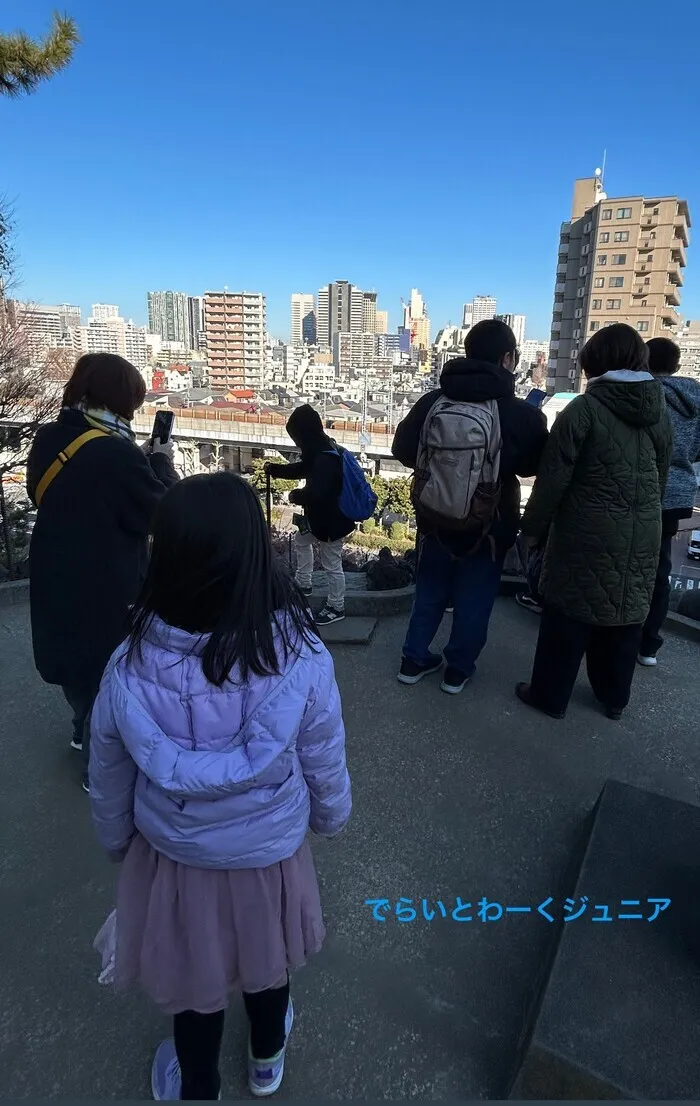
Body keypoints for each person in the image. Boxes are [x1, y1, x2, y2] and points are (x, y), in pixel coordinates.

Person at [89, 472, 351, 1101]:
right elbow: (324, 753)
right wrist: (331, 816)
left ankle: (197, 1085)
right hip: (269, 851)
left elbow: (107, 770)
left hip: (176, 854)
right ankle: (266, 1062)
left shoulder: (128, 664)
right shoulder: (298, 654)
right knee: (269, 961)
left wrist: (116, 840)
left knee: (193, 980)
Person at [26, 353, 177, 790]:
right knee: (110, 677)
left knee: (75, 663)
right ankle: (100, 772)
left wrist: (137, 461)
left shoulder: (51, 438)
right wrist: (160, 462)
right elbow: (161, 513)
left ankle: (80, 728)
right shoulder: (115, 454)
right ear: (119, 398)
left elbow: (77, 494)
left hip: (55, 571)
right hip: (106, 581)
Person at [516, 324, 672, 721]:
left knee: (568, 616)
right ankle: (614, 698)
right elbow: (661, 474)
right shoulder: (659, 413)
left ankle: (550, 696)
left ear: (596, 364)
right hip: (643, 532)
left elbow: (552, 481)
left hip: (586, 530)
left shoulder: (583, 410)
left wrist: (531, 530)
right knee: (624, 615)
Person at [392, 319, 548, 694]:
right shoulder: (519, 413)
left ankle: (413, 661)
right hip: (488, 526)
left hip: (434, 519)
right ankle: (456, 672)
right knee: (475, 599)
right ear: (508, 358)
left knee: (429, 591)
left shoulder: (433, 401)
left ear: (467, 353)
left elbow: (402, 450)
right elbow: (534, 466)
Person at [638, 337, 700, 665]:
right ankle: (649, 645)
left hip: (644, 489)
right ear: (676, 365)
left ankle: (621, 633)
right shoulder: (696, 399)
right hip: (677, 494)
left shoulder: (646, 395)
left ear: (645, 362)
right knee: (660, 570)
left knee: (631, 564)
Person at [266, 404, 355, 626]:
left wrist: (296, 496)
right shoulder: (322, 449)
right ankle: (303, 582)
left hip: (331, 523)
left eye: (296, 436)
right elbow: (301, 469)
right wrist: (274, 469)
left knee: (332, 565)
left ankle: (337, 606)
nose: (296, 441)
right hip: (319, 521)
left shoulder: (325, 458)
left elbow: (319, 492)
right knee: (301, 541)